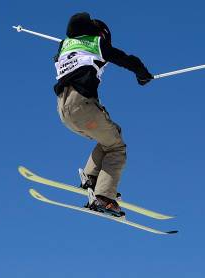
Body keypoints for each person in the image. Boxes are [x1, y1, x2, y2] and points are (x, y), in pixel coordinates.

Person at [54, 12, 153, 216]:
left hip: (63, 110)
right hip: (82, 105)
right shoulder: (97, 43)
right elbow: (124, 59)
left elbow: (63, 53)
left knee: (110, 136)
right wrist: (142, 74)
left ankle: (91, 178)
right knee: (117, 147)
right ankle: (104, 197)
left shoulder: (65, 45)